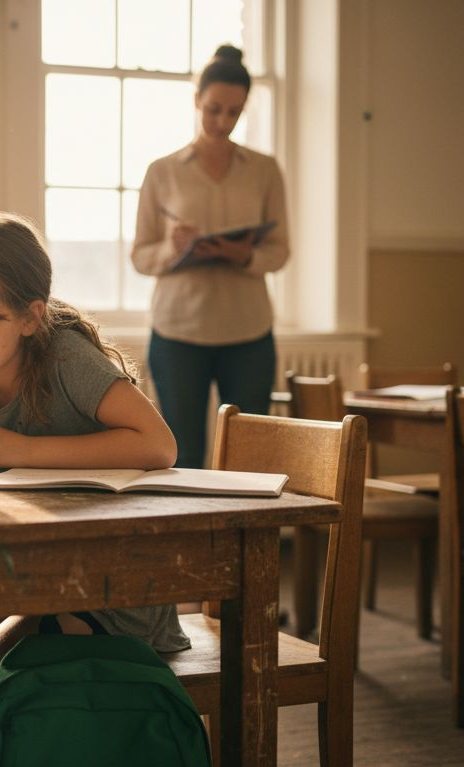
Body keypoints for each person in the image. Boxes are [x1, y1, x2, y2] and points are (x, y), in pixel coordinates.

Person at [0, 209, 185, 729]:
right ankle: (7, 753)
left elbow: (159, 444)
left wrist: (19, 449)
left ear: (30, 318)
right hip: (35, 570)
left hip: (111, 582)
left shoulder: (65, 358)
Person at [131, 44, 289, 469]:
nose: (222, 121)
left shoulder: (265, 170)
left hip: (248, 331)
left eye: (234, 112)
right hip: (178, 332)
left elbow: (280, 250)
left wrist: (245, 255)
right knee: (182, 455)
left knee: (250, 454)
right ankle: (188, 538)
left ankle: (247, 537)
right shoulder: (162, 171)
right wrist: (173, 248)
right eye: (214, 109)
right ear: (196, 100)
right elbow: (141, 256)